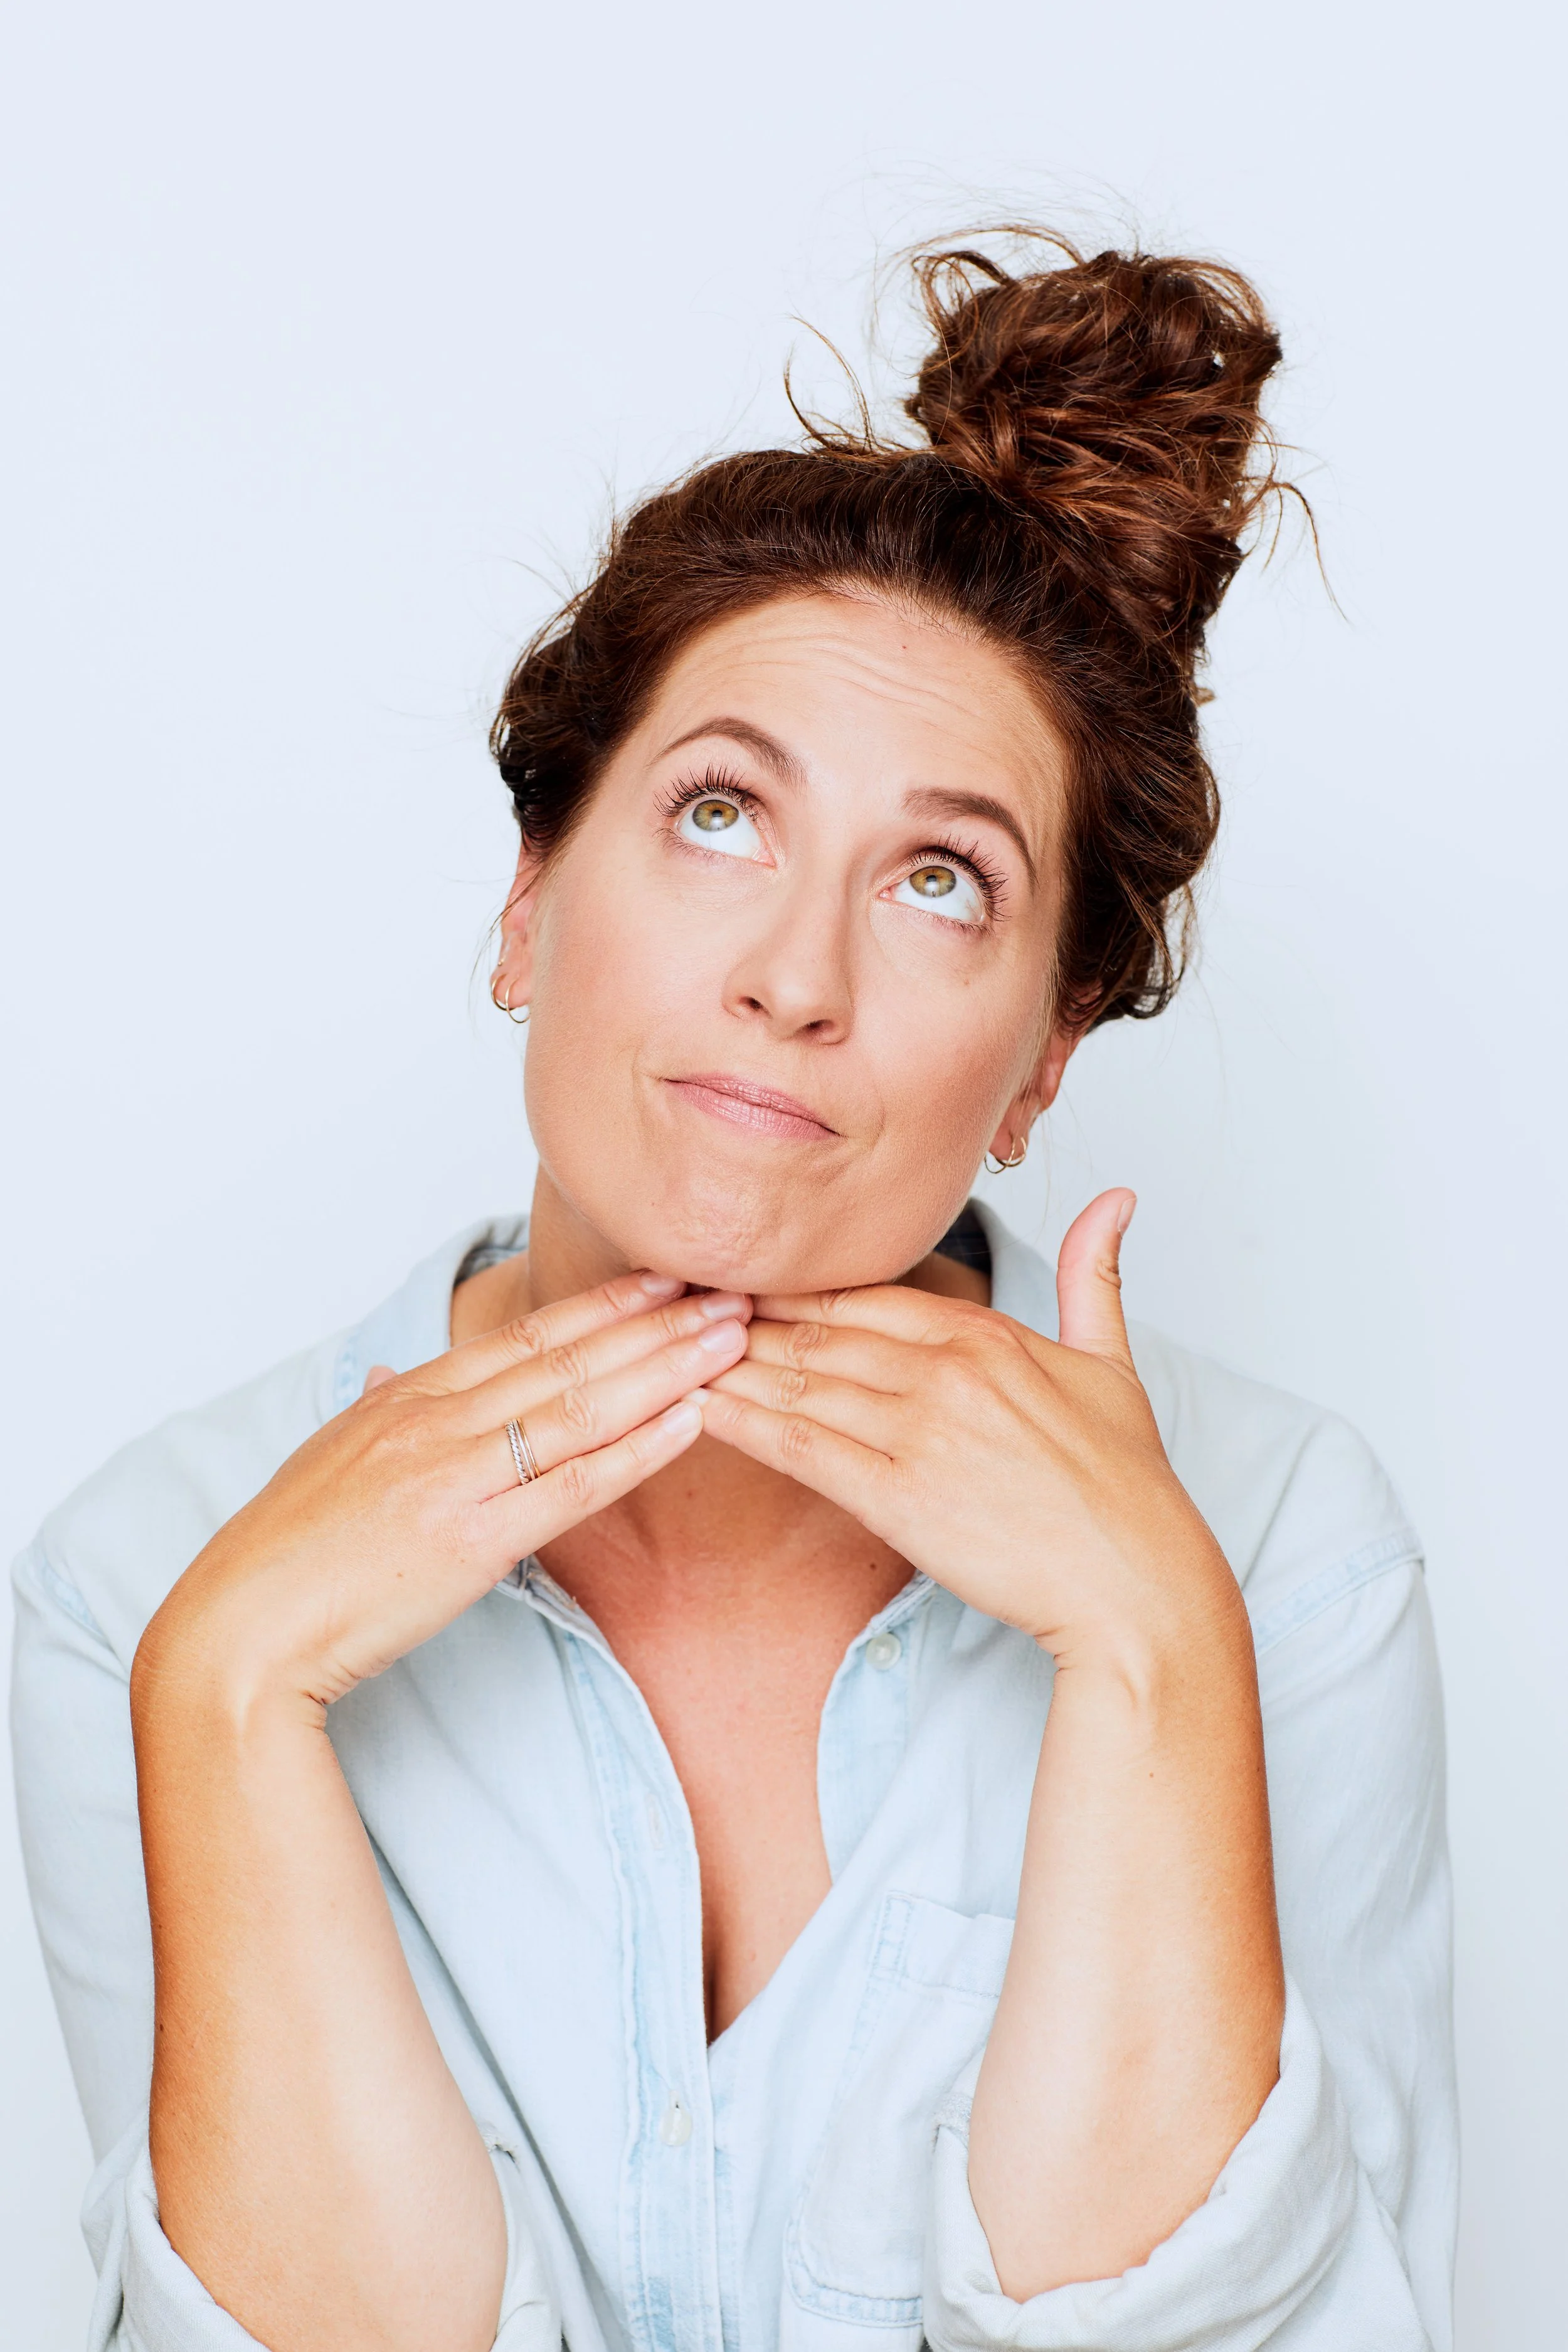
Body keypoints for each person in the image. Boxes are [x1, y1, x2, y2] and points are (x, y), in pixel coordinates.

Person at [11, 233, 1454, 2352]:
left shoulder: (1282, 1552)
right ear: (528, 901)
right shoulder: (149, 1574)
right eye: (715, 816)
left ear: (1043, 1059)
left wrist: (1152, 1642)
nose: (795, 974)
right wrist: (223, 1694)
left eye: (940, 878)